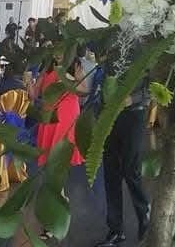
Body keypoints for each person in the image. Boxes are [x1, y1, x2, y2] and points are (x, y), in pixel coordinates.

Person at [95, 56, 150, 247]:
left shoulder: (147, 44)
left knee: (130, 169)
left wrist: (132, 99)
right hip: (111, 114)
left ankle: (144, 218)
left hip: (134, 114)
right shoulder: (112, 44)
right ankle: (115, 229)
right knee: (111, 171)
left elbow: (154, 87)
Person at [34, 60, 84, 169]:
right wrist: (79, 78)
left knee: (50, 149)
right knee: (62, 151)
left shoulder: (48, 72)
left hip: (49, 114)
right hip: (66, 117)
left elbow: (35, 93)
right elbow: (83, 92)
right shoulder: (69, 77)